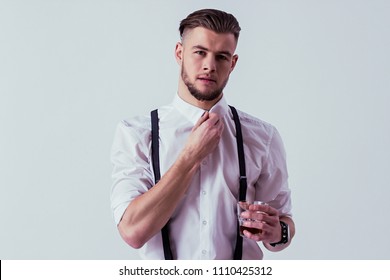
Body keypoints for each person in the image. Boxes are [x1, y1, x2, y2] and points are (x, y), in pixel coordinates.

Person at [110, 8, 295, 260]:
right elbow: (132, 232)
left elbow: (284, 225)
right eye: (200, 52)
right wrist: (191, 156)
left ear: (233, 63)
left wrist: (277, 233)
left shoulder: (263, 137)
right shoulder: (138, 134)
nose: (209, 65)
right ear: (179, 53)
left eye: (221, 56)